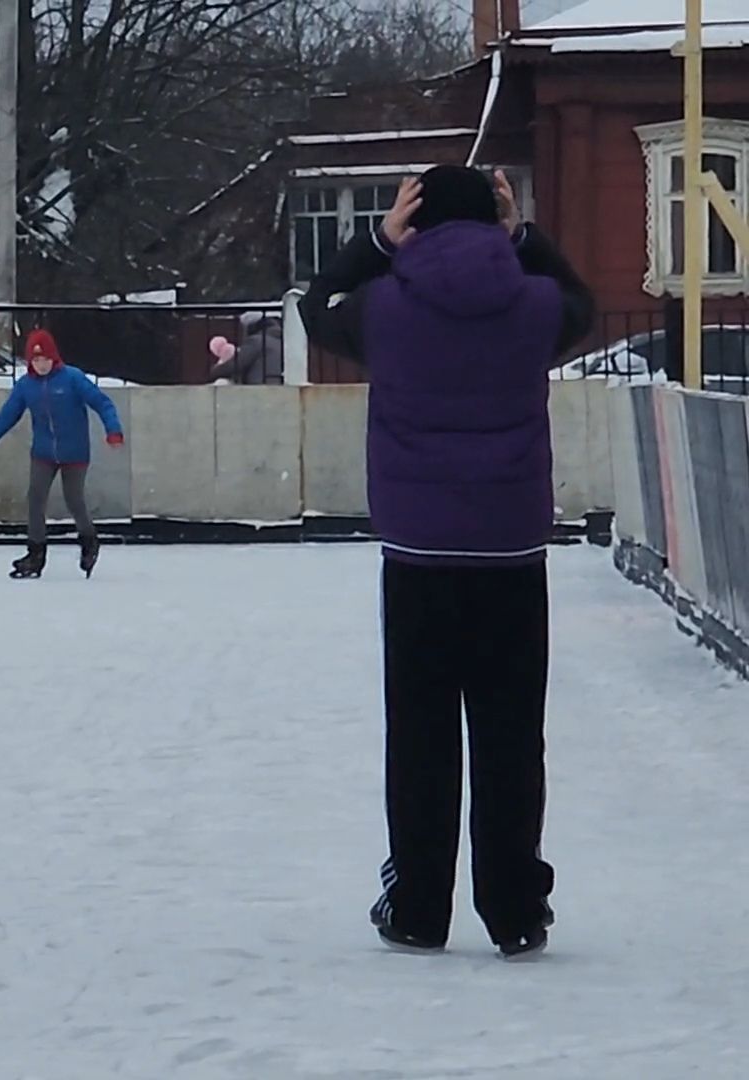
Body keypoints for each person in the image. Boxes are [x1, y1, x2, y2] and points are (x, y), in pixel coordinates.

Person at [298, 166, 595, 960]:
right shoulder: (534, 305)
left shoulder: (382, 308)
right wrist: (521, 237)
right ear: (496, 219)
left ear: (415, 220)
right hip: (510, 549)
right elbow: (584, 303)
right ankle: (516, 908)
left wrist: (376, 240)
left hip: (419, 551)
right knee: (511, 734)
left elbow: (315, 306)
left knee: (421, 733)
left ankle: (419, 907)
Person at [0, 328, 125, 579]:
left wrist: (113, 430)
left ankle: (89, 541)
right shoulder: (25, 386)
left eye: (45, 359)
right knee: (35, 499)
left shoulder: (72, 378)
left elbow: (102, 403)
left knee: (74, 500)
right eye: (36, 360)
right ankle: (35, 554)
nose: (41, 365)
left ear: (54, 358)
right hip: (43, 453)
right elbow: (8, 415)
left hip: (74, 452)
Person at [210, 312, 284, 385]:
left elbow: (237, 364)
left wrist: (216, 370)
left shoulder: (256, 341)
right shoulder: (282, 342)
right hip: (281, 387)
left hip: (259, 388)